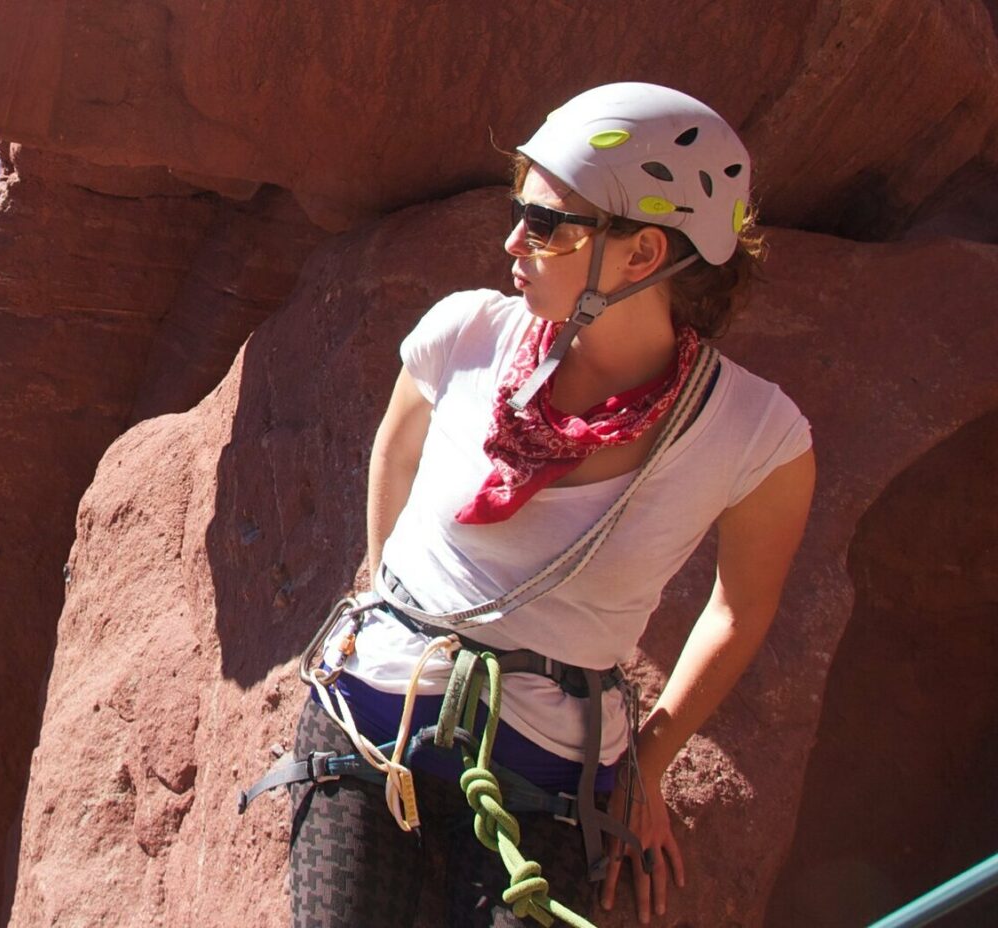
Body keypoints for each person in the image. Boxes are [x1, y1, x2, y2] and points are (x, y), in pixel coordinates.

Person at [281, 83, 817, 927]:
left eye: (543, 223)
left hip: (550, 772)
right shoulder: (465, 331)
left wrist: (648, 761)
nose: (510, 242)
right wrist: (384, 599)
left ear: (641, 255)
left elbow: (742, 608)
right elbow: (397, 444)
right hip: (370, 718)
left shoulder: (756, 436)